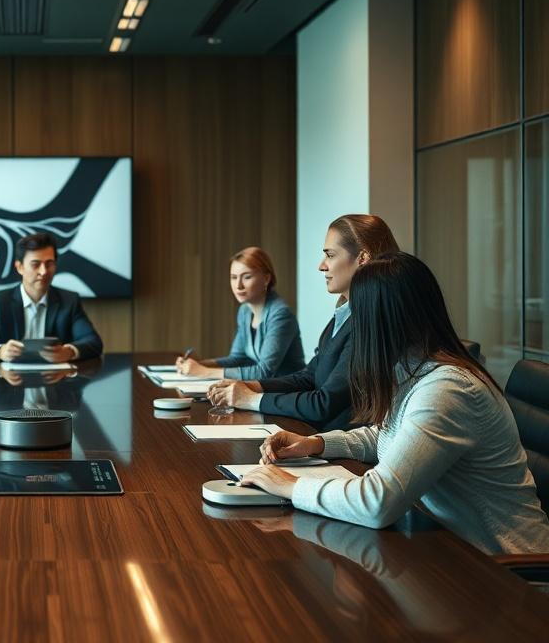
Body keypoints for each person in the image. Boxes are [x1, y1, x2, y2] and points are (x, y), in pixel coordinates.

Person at [241, 252, 549, 555]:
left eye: (357, 315)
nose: (352, 328)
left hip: (506, 572)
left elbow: (378, 503)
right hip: (447, 548)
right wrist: (314, 444)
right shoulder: (411, 369)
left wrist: (289, 486)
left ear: (380, 322)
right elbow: (386, 434)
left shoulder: (447, 389)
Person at [204, 214, 399, 431]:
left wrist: (250, 399)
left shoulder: (371, 322)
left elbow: (324, 403)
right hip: (318, 437)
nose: (321, 266)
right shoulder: (344, 314)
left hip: (341, 449)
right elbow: (310, 376)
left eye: (330, 255)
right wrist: (253, 386)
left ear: (362, 258)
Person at [0, 232, 103, 362]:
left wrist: (69, 352)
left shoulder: (69, 300)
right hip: (11, 384)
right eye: (35, 264)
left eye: (49, 264)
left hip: (58, 383)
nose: (44, 271)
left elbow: (93, 341)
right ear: (19, 267)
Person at [176, 246, 304, 380]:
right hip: (261, 391)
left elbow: (264, 372)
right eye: (233, 277)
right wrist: (198, 365)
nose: (238, 286)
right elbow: (238, 359)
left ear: (266, 279)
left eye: (246, 277)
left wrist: (203, 372)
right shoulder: (245, 311)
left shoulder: (280, 314)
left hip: (289, 393)